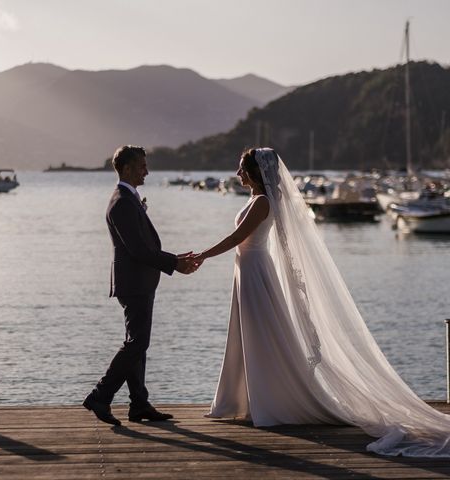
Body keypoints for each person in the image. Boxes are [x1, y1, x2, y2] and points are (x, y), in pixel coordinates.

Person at [193, 147, 450, 457]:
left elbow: (237, 239)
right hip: (246, 270)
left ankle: (270, 398)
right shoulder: (256, 199)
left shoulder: (262, 202)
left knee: (261, 333)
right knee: (248, 334)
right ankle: (247, 397)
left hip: (256, 271)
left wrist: (202, 255)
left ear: (256, 172)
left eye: (242, 169)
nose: (237, 175)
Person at [83, 145, 200, 426]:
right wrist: (174, 263)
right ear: (125, 169)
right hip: (134, 282)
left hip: (139, 280)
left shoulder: (128, 198)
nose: (146, 171)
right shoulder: (122, 201)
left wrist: (174, 259)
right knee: (138, 343)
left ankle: (139, 404)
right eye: (141, 166)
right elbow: (137, 249)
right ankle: (100, 395)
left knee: (137, 343)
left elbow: (142, 246)